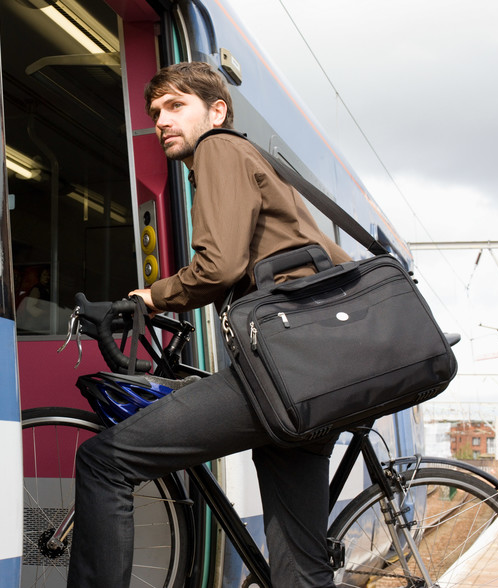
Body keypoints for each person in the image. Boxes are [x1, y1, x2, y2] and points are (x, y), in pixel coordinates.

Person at [66, 61, 351, 588]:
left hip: (285, 371)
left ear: (216, 111)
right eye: (155, 112)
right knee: (301, 568)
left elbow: (220, 267)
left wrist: (152, 296)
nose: (162, 121)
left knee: (105, 460)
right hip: (317, 372)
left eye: (176, 106)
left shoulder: (218, 149)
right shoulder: (243, 159)